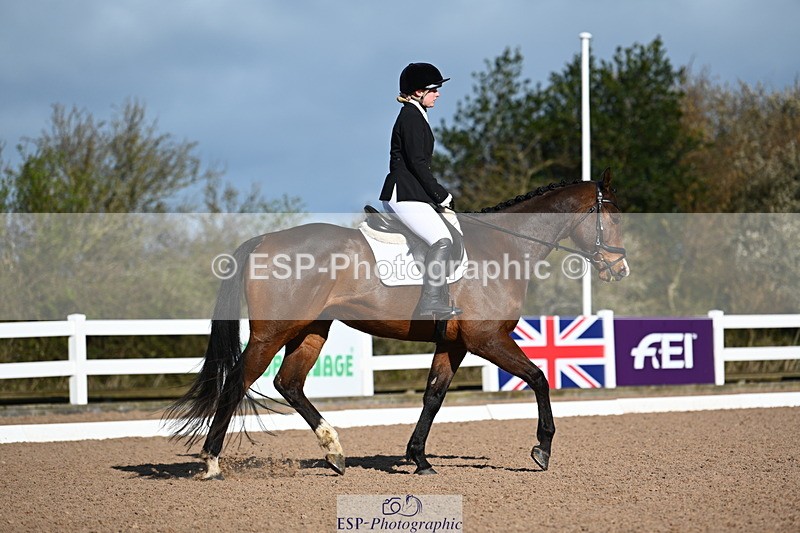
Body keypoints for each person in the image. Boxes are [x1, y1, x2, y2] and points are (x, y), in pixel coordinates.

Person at [379, 62, 462, 318]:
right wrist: (441, 194)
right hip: (404, 193)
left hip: (411, 193)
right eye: (434, 89)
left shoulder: (415, 114)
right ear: (418, 92)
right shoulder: (411, 118)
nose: (438, 93)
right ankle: (430, 302)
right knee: (442, 239)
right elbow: (417, 163)